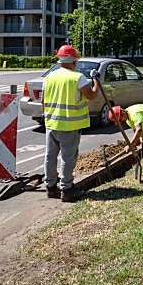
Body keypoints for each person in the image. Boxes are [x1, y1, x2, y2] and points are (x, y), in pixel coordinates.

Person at [43, 45, 100, 202]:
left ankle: (50, 187)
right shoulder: (77, 78)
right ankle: (67, 190)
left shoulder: (49, 77)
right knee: (68, 158)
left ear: (60, 61)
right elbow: (92, 95)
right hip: (69, 125)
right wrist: (96, 79)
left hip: (51, 123)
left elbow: (43, 101)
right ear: (74, 61)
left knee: (50, 156)